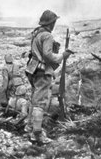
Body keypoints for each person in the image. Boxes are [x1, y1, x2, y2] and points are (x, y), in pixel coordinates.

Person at [25, 10, 72, 144]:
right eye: (54, 22)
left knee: (34, 99)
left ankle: (29, 127)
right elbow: (48, 55)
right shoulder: (47, 36)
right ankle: (37, 134)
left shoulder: (37, 33)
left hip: (32, 69)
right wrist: (63, 56)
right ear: (51, 23)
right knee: (40, 102)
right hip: (42, 71)